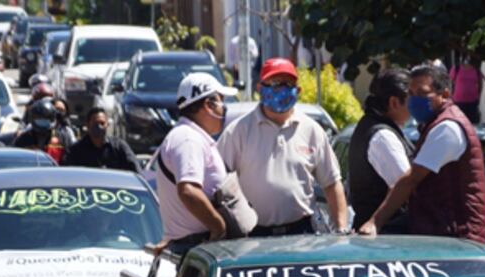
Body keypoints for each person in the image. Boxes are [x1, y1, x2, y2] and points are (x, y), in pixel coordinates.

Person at [217, 57, 347, 236]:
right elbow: (217, 183)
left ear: (298, 90)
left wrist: (341, 229)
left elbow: (332, 183)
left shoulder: (312, 130)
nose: (281, 89)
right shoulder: (238, 132)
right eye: (275, 83)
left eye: (287, 84)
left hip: (302, 234)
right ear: (259, 89)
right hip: (253, 235)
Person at [358, 64, 485, 243]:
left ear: (445, 95)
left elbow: (410, 180)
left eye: (422, 93)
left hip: (456, 239)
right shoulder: (434, 125)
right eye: (411, 93)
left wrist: (375, 222)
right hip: (444, 235)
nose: (413, 100)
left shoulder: (446, 128)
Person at [155, 73, 236, 255]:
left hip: (195, 244)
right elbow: (189, 191)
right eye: (221, 102)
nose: (224, 109)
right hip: (196, 245)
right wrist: (219, 227)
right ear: (208, 105)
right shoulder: (188, 139)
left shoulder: (188, 136)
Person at [348, 68, 414, 231]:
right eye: (412, 98)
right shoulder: (383, 137)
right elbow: (406, 187)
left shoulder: (372, 126)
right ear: (394, 102)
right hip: (387, 236)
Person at [63, 107, 140, 171]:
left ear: (107, 125)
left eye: (102, 123)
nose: (99, 127)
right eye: (95, 124)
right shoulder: (76, 151)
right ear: (87, 125)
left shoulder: (119, 147)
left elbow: (136, 170)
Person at [13, 99, 74, 164]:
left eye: (47, 117)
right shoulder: (23, 139)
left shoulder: (63, 136)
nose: (43, 120)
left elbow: (70, 159)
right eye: (39, 118)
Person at [449, 56, 482, 124]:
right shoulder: (456, 69)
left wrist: (478, 97)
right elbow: (449, 82)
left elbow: (480, 85)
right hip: (458, 102)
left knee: (472, 123)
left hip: (472, 103)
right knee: (459, 123)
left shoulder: (476, 70)